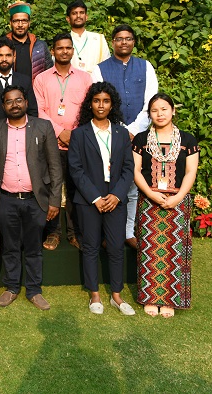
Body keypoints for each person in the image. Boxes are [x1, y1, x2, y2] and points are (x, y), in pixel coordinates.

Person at [0, 86, 62, 310]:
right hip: (6, 199)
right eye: (9, 101)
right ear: (3, 106)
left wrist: (54, 200)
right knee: (10, 246)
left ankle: (34, 290)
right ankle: (11, 287)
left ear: (26, 102)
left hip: (35, 200)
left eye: (18, 100)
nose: (14, 105)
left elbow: (55, 167)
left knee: (33, 248)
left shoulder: (43, 126)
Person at [68, 82, 136, 316]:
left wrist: (117, 195)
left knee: (116, 247)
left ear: (112, 104)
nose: (101, 105)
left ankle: (116, 295)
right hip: (89, 200)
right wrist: (95, 198)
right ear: (90, 104)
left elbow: (128, 168)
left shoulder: (121, 133)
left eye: (106, 101)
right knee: (90, 247)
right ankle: (94, 294)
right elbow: (76, 169)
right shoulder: (79, 134)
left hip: (116, 197)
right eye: (96, 100)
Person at [92, 24, 159, 248]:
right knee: (107, 181)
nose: (124, 42)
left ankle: (129, 231)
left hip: (140, 135)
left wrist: (133, 130)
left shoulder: (145, 66)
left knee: (133, 184)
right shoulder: (100, 69)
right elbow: (99, 103)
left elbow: (151, 102)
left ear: (133, 42)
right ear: (113, 42)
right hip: (109, 133)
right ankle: (106, 233)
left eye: (128, 38)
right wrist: (121, 130)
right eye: (119, 39)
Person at [132, 93, 199, 318]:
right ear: (149, 114)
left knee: (174, 250)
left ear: (173, 111)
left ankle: (170, 299)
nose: (159, 114)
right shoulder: (141, 139)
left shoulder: (188, 140)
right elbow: (136, 171)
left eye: (164, 109)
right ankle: (151, 297)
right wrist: (151, 193)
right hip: (149, 201)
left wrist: (178, 197)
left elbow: (190, 171)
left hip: (178, 202)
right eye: (154, 110)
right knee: (150, 250)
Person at [34, 33, 92, 250]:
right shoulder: (41, 79)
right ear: (52, 51)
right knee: (52, 187)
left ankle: (74, 232)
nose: (64, 51)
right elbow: (39, 110)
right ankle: (53, 232)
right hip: (50, 142)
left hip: (77, 142)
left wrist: (74, 134)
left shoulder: (85, 78)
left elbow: (89, 109)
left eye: (68, 48)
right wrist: (60, 132)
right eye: (60, 48)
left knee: (76, 187)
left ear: (72, 51)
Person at [0, 37, 37, 130]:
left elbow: (32, 110)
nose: (4, 59)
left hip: (22, 133)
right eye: (0, 55)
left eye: (8, 55)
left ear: (14, 57)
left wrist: (26, 132)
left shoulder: (25, 81)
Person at [5, 1, 53, 82]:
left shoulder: (40, 46)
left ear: (29, 23)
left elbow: (50, 73)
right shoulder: (3, 45)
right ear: (10, 23)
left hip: (35, 89)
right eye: (16, 21)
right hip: (9, 89)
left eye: (24, 21)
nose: (20, 25)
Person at [66, 0, 110, 73]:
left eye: (81, 13)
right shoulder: (63, 41)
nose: (78, 16)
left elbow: (107, 66)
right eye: (74, 13)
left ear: (86, 17)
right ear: (68, 19)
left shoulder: (99, 39)